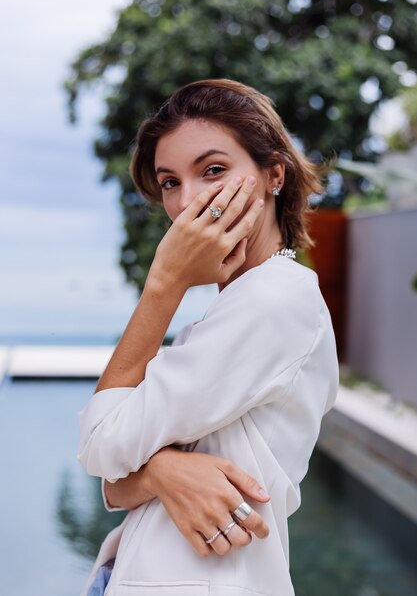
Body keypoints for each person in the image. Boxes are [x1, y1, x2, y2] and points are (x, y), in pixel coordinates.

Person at [77, 79, 339, 596]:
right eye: (169, 181)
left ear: (273, 176)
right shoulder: (238, 305)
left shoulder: (274, 300)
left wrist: (165, 283)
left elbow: (99, 443)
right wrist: (158, 474)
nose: (188, 201)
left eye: (213, 170)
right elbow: (115, 478)